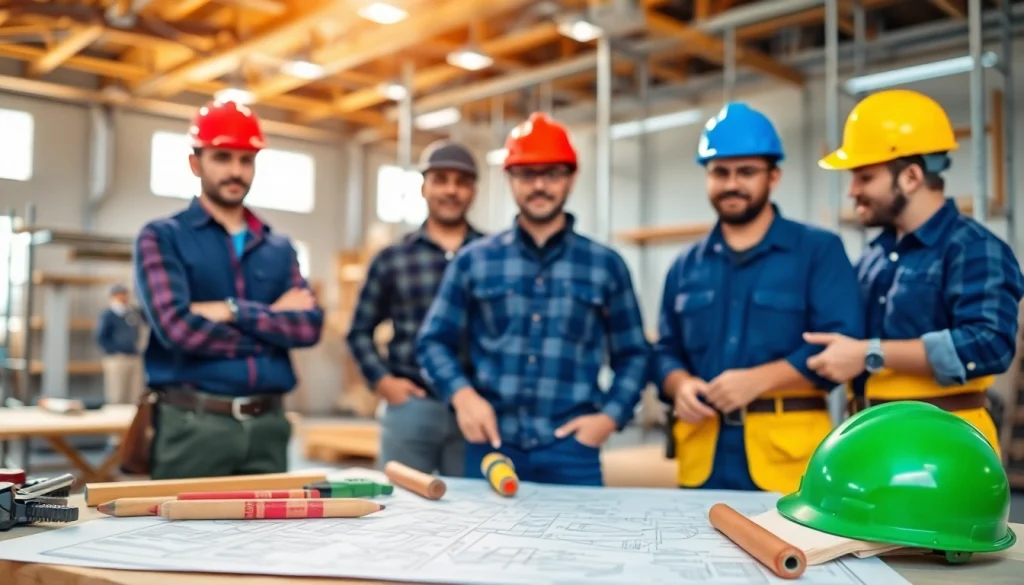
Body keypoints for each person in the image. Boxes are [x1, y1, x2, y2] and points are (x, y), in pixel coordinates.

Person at [416, 112, 650, 487]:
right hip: (489, 447)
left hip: (573, 452)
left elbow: (635, 354)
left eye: (552, 173)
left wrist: (609, 418)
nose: (539, 185)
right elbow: (433, 342)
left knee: (577, 545)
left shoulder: (606, 266)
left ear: (571, 178)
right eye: (526, 174)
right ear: (510, 179)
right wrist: (462, 396)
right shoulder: (474, 261)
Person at [651, 102, 864, 494]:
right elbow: (665, 350)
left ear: (774, 176)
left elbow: (844, 345)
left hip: (788, 461)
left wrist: (759, 381)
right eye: (720, 172)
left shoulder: (818, 251)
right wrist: (680, 385)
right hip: (702, 456)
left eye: (746, 172)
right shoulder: (684, 265)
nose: (732, 184)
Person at [807, 89, 1024, 454]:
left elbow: (989, 344)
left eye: (863, 177)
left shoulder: (973, 248)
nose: (852, 191)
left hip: (945, 444)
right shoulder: (874, 257)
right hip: (867, 437)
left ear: (910, 176)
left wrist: (870, 353)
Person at [133, 100, 324, 480]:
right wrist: (271, 325)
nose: (236, 171)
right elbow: (178, 329)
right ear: (196, 163)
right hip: (195, 427)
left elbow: (308, 327)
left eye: (246, 159)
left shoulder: (279, 247)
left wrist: (232, 311)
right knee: (182, 539)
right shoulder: (161, 237)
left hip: (269, 427)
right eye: (222, 157)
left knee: (268, 541)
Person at [346, 140, 483, 477]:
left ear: (474, 191)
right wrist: (384, 383)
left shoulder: (491, 257)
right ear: (424, 187)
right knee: (401, 511)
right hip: (411, 405)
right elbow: (359, 331)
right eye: (441, 180)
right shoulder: (394, 259)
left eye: (461, 182)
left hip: (476, 407)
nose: (451, 190)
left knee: (479, 514)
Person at [95, 283, 144, 406]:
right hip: (117, 358)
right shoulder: (108, 315)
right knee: (117, 394)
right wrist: (115, 349)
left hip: (133, 357)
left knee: (135, 394)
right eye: (120, 294)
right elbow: (101, 337)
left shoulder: (132, 313)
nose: (123, 297)